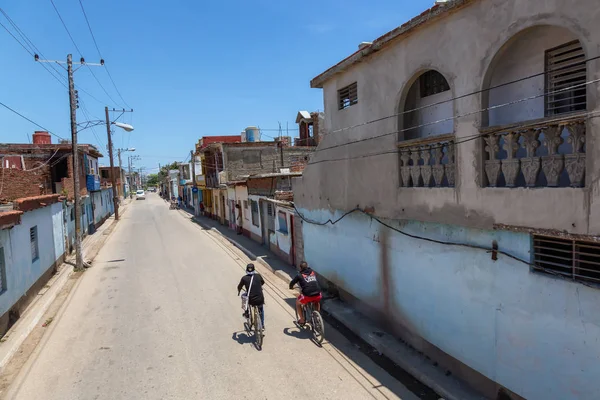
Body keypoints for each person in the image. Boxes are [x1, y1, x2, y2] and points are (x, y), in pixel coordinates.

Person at [237, 263, 266, 333]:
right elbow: (262, 282)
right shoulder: (258, 276)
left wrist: (239, 291)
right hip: (260, 298)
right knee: (261, 310)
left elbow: (239, 287)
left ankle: (246, 312)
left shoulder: (244, 278)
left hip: (251, 299)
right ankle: (262, 325)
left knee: (243, 296)